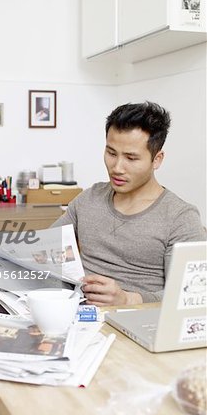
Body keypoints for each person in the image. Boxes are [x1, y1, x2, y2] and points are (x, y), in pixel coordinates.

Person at [51, 101, 206, 306]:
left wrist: (127, 299)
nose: (117, 168)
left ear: (157, 159)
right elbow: (46, 248)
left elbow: (190, 297)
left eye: (131, 158)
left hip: (139, 322)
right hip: (77, 314)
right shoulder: (88, 199)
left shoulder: (180, 218)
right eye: (111, 153)